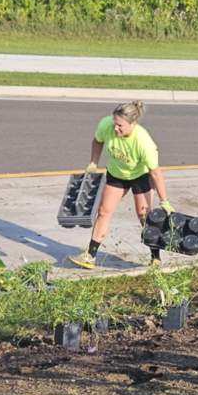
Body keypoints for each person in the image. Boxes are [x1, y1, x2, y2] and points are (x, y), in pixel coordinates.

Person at [68, 100, 172, 270]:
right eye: (115, 123)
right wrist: (93, 162)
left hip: (140, 176)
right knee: (104, 211)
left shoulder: (144, 142)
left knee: (144, 216)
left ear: (133, 123)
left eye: (120, 126)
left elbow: (156, 173)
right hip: (116, 174)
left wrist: (164, 200)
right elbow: (97, 141)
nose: (115, 128)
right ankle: (90, 256)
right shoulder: (106, 125)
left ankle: (155, 257)